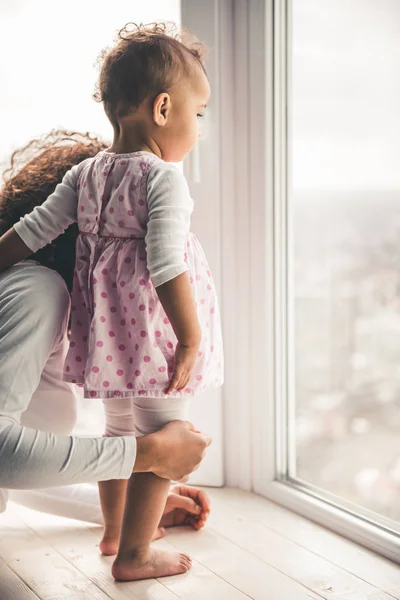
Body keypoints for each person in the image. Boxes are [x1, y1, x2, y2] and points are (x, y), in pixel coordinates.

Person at [0, 22, 224, 582]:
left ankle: (115, 534)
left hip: (110, 335)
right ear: (165, 107)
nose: (199, 129)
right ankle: (135, 553)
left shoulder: (85, 173)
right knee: (161, 432)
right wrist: (191, 337)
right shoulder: (162, 178)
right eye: (198, 115)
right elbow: (166, 260)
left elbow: (30, 230)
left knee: (119, 428)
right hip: (152, 329)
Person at [0, 129, 211, 539]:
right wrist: (147, 454)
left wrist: (134, 511)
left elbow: (13, 481)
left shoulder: (29, 295)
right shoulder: (37, 293)